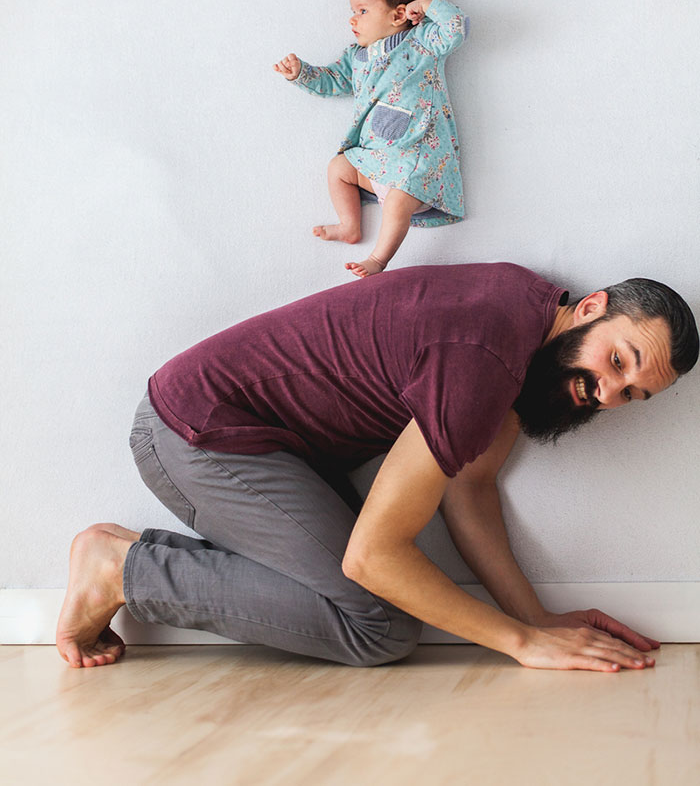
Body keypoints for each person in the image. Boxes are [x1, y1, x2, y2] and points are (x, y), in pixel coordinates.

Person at [56, 262, 698, 671]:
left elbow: (469, 488)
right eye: (619, 361)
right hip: (196, 434)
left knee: (375, 607)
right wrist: (523, 645)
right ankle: (122, 570)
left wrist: (536, 617)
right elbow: (373, 556)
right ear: (591, 308)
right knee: (380, 628)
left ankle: (131, 562)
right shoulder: (484, 358)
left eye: (632, 394)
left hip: (264, 446)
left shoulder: (525, 323)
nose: (607, 393)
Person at [273, 0, 467, 278]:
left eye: (362, 11)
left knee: (398, 202)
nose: (353, 18)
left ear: (398, 15)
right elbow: (334, 80)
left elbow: (456, 28)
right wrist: (301, 74)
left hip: (414, 163)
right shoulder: (357, 56)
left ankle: (378, 259)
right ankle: (350, 225)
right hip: (374, 159)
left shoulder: (423, 42)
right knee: (338, 168)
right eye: (353, 11)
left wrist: (428, 6)